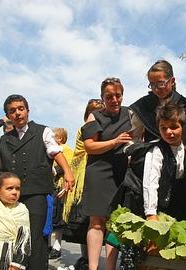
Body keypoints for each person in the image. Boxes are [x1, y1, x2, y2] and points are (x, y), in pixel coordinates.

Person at [0, 94, 75, 270]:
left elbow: (55, 152)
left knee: (35, 239)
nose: (18, 113)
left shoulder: (43, 131)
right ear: (8, 116)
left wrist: (68, 173)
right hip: (12, 198)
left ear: (27, 110)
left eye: (21, 108)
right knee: (12, 237)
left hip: (37, 194)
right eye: (12, 111)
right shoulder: (4, 140)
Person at [111, 102, 186, 220]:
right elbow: (150, 183)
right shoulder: (156, 151)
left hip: (181, 204)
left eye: (174, 127)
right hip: (158, 205)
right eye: (163, 128)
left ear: (183, 126)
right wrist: (151, 213)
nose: (168, 132)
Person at [80, 77, 131, 270]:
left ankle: (110, 268)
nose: (114, 100)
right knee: (96, 222)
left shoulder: (131, 114)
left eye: (118, 95)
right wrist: (115, 142)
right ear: (102, 97)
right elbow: (89, 146)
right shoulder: (94, 116)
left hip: (121, 172)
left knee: (115, 222)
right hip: (99, 171)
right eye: (109, 96)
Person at [65, 99, 105, 270]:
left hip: (98, 173)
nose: (94, 114)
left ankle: (91, 259)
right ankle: (86, 258)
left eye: (98, 111)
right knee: (84, 220)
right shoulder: (85, 129)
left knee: (96, 219)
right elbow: (78, 154)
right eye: (91, 111)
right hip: (83, 175)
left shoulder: (104, 127)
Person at [129, 59, 186, 143]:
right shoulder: (141, 106)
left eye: (160, 84)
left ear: (172, 81)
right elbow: (133, 138)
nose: (156, 89)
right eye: (152, 84)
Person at [48, 127, 74, 260]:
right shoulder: (50, 150)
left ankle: (57, 246)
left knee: (58, 218)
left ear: (60, 138)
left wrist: (53, 170)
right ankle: (47, 244)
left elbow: (67, 166)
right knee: (48, 217)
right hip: (49, 187)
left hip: (60, 188)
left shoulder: (66, 150)